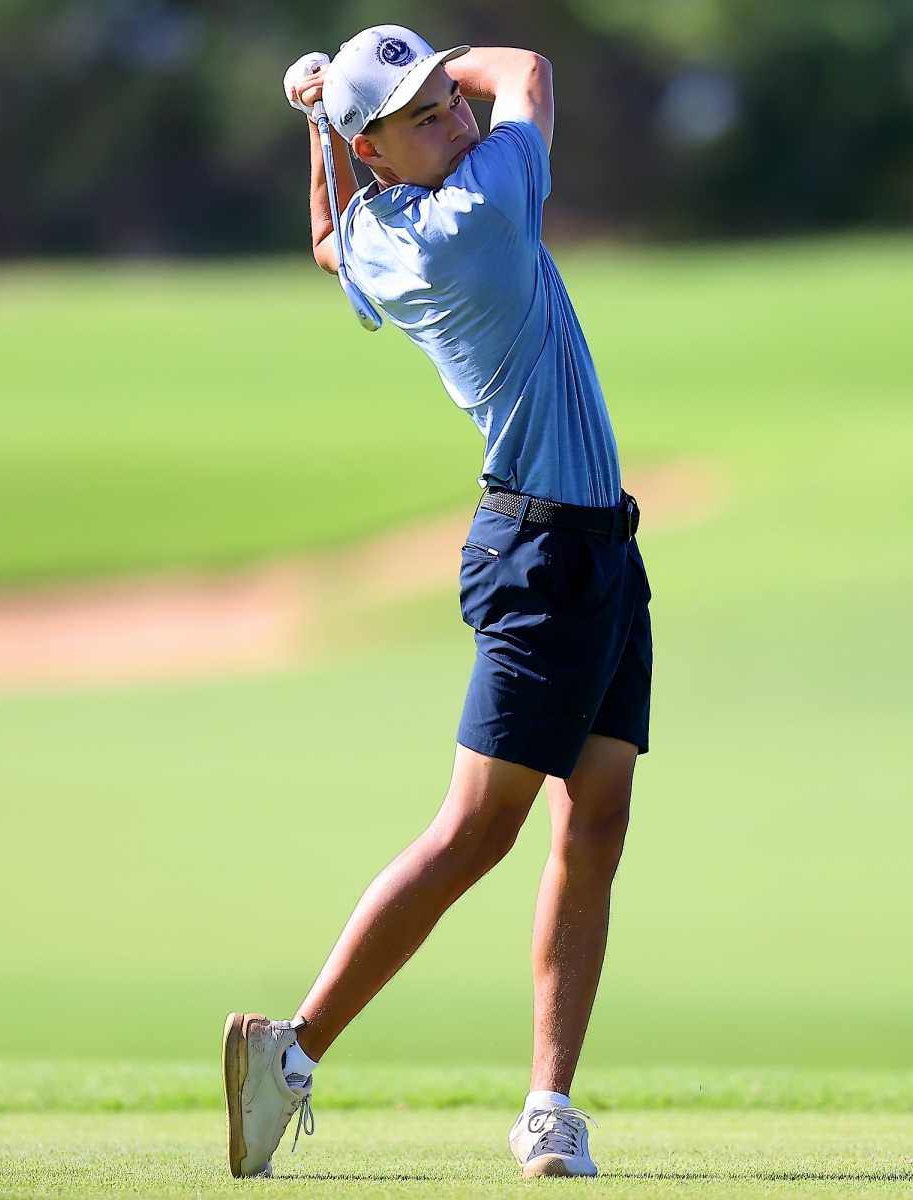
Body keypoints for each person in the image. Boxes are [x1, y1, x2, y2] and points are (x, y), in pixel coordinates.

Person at [223, 24, 652, 1180]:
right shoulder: (483, 208)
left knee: (595, 824)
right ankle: (290, 1051)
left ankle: (550, 1107)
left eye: (445, 100)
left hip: (597, 552)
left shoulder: (381, 231)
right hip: (543, 557)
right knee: (478, 831)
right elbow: (529, 73)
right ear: (379, 149)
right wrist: (441, 65)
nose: (455, 117)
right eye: (421, 115)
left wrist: (325, 118)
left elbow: (326, 243)